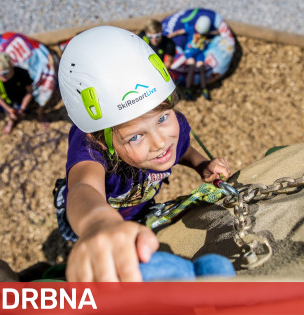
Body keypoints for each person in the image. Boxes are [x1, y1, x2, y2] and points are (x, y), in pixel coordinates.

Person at [56, 26, 230, 282]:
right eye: (135, 136)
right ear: (100, 139)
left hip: (136, 208)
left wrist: (200, 164)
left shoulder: (174, 128)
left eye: (162, 118)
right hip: (89, 215)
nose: (160, 142)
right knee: (97, 246)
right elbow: (83, 186)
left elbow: (181, 149)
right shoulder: (90, 147)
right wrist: (96, 224)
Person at [0, 52, 49, 134]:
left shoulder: (22, 73)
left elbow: (29, 92)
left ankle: (41, 116)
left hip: (24, 97)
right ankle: (11, 122)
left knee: (37, 107)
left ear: (11, 66)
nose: (1, 77)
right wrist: (9, 110)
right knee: (9, 113)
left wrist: (22, 108)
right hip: (8, 100)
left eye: (5, 73)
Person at [168, 15, 219, 100]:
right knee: (191, 67)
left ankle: (204, 88)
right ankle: (188, 89)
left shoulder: (206, 33)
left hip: (199, 53)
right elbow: (180, 32)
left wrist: (213, 33)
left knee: (202, 69)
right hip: (189, 52)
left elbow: (215, 33)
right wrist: (169, 36)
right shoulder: (191, 29)